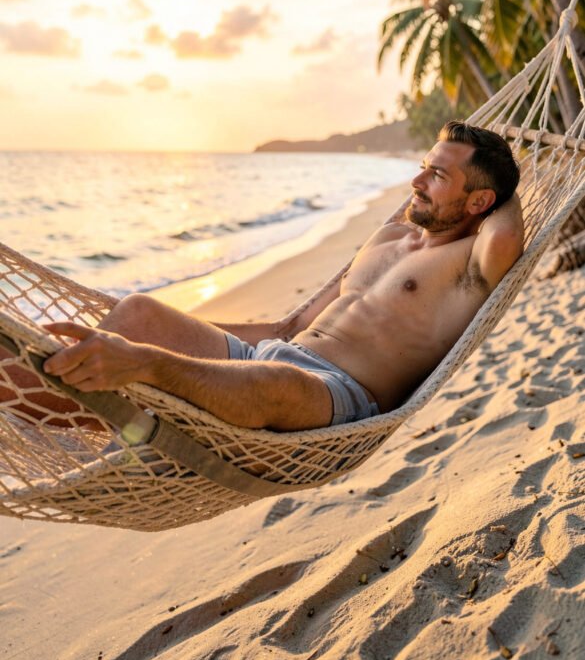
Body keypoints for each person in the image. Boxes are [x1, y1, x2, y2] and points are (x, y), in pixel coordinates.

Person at [1, 121, 524, 433]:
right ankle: (30, 413)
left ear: (479, 201)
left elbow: (503, 230)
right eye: (422, 165)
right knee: (140, 312)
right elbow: (290, 324)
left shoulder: (470, 264)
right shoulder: (391, 237)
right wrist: (189, 334)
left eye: (436, 175)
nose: (416, 181)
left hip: (331, 394)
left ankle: (137, 376)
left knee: (276, 382)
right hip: (268, 356)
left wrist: (513, 172)